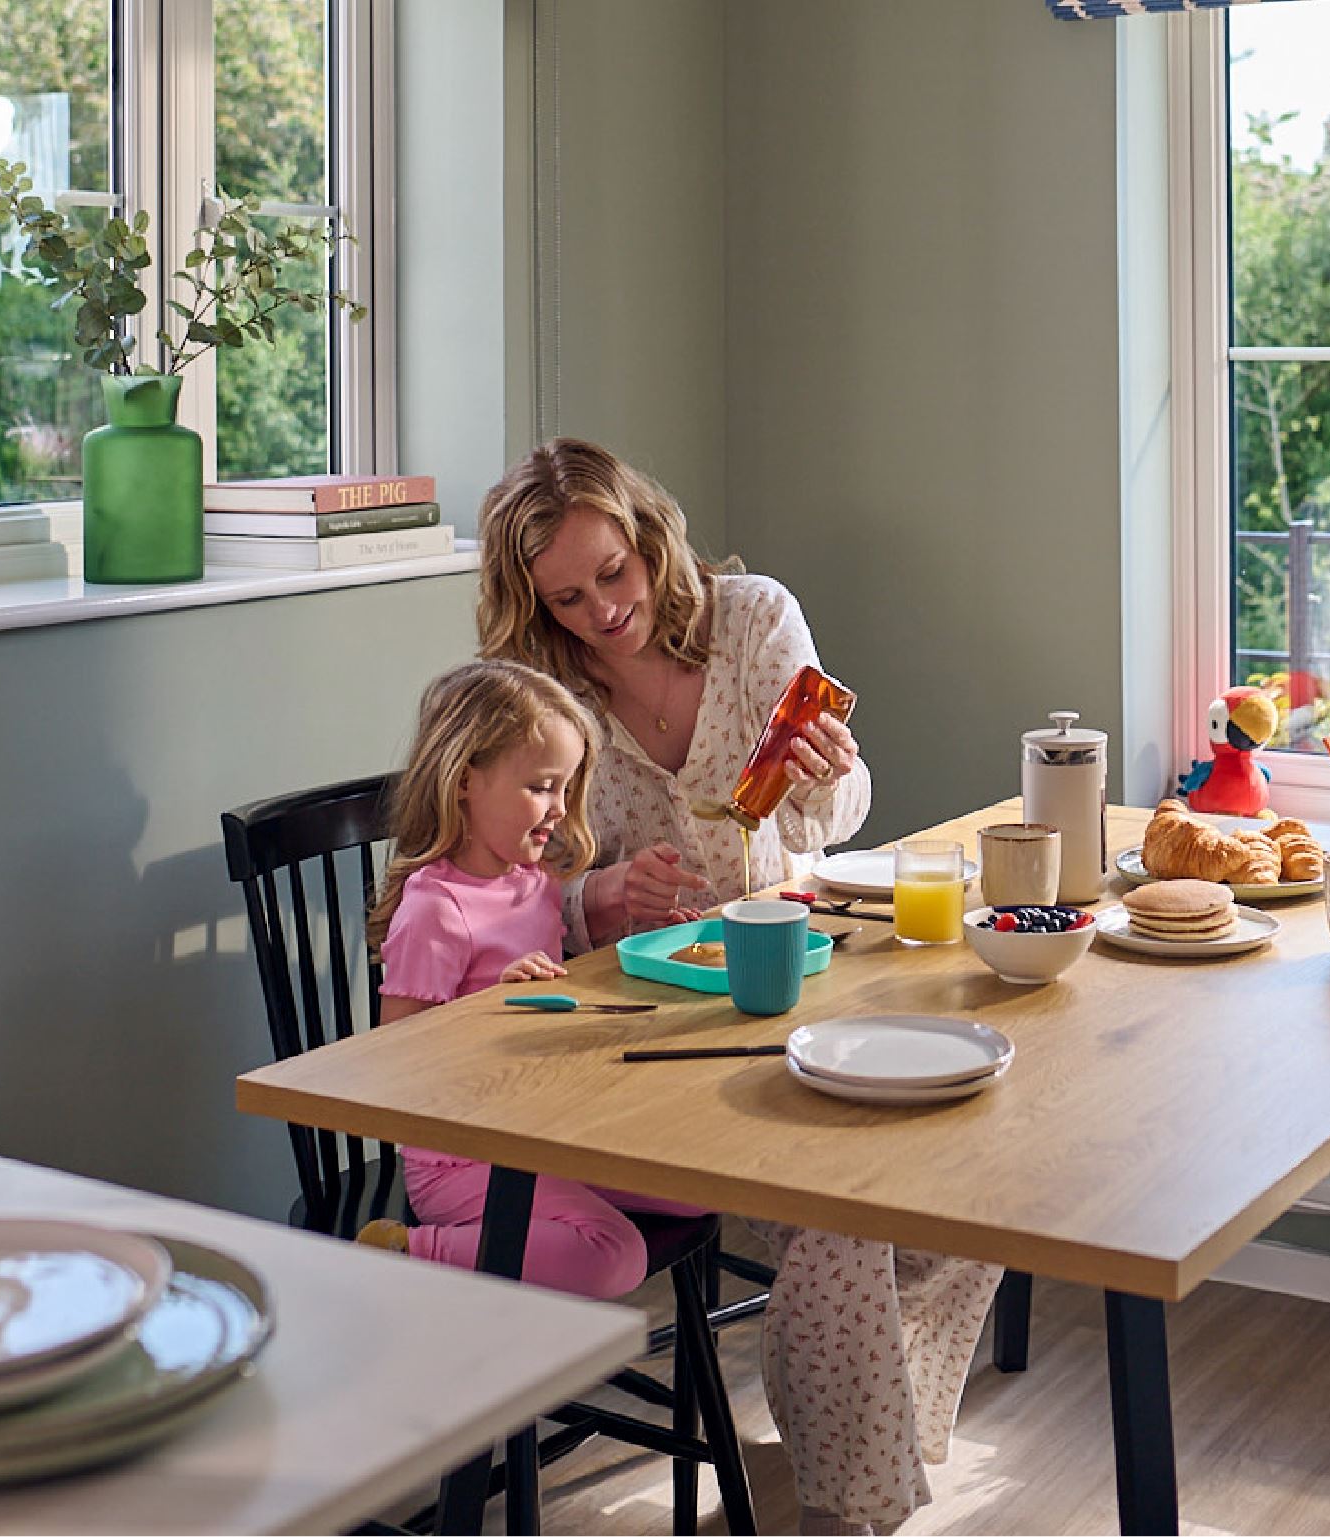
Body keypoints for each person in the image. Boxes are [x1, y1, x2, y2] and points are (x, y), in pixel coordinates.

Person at [477, 439, 1003, 1536]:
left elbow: (840, 811)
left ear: (646, 538)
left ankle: (841, 1458)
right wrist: (596, 896)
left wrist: (832, 771)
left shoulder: (756, 621)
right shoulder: (543, 692)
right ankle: (844, 1508)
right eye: (565, 596)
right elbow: (512, 882)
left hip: (797, 976)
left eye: (611, 573)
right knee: (854, 1223)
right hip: (636, 1030)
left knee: (977, 1187)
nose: (599, 611)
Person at [355, 659, 705, 1298]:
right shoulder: (437, 911)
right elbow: (391, 1070)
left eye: (566, 788)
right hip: (461, 1155)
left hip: (545, 1126)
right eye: (542, 786)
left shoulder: (535, 885)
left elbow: (552, 1003)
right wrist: (488, 1010)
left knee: (702, 1183)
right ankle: (406, 1251)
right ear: (466, 782)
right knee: (613, 1254)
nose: (559, 809)